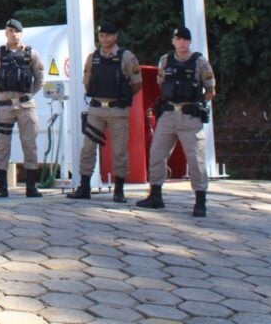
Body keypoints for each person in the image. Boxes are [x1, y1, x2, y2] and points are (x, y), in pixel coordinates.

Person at [136, 25, 217, 217]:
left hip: (190, 116)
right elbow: (161, 84)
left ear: (189, 41)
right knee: (157, 154)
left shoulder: (200, 62)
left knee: (196, 159)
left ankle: (200, 200)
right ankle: (155, 195)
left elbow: (210, 90)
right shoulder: (165, 60)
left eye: (184, 39)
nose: (181, 42)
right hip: (168, 114)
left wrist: (198, 105)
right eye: (178, 39)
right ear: (173, 41)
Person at [66, 21, 142, 202]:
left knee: (119, 150)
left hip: (117, 109)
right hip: (96, 109)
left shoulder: (126, 57)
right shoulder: (93, 57)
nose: (104, 38)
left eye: (108, 35)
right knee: (88, 148)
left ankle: (119, 190)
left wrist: (123, 97)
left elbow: (137, 83)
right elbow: (87, 81)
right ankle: (84, 186)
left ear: (115, 36)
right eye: (101, 35)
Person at [0, 18, 45, 198]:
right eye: (11, 31)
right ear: (6, 32)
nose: (14, 34)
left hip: (26, 105)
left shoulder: (31, 54)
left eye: (17, 31)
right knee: (2, 145)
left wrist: (27, 95)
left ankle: (31, 186)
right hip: (4, 105)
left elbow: (40, 79)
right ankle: (2, 187)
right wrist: (1, 95)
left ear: (21, 33)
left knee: (30, 143)